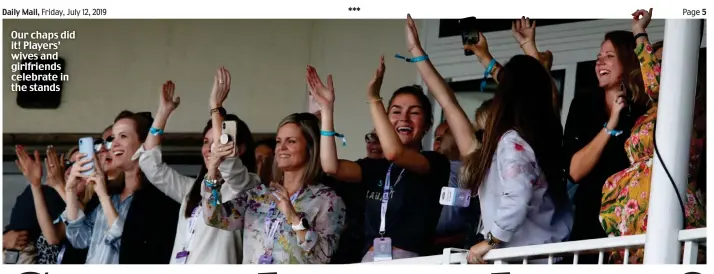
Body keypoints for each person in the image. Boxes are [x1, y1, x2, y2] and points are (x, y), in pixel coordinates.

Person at [402, 14, 572, 263]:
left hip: (527, 258)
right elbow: (447, 100)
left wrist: (491, 241)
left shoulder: (514, 142)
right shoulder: (503, 147)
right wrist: (417, 51)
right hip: (531, 255)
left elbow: (518, 194)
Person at [309, 54, 450, 261]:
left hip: (412, 261)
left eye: (414, 113)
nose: (404, 118)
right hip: (370, 259)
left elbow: (395, 153)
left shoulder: (435, 162)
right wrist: (327, 111)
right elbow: (331, 167)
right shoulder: (376, 167)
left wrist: (374, 98)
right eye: (396, 111)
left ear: (428, 124)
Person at [598, 8, 706, 264]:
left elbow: (660, 84)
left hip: (666, 209)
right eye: (652, 62)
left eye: (659, 63)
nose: (652, 67)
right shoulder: (649, 114)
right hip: (638, 220)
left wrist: (639, 34)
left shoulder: (680, 108)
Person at [133, 68, 261, 264]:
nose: (210, 148)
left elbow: (225, 158)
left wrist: (216, 107)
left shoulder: (245, 186)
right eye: (205, 142)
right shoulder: (192, 189)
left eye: (216, 140)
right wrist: (163, 113)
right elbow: (151, 165)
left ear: (241, 148)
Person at [202, 112, 346, 264]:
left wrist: (294, 218)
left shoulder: (327, 200)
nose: (281, 148)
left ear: (310, 148)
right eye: (278, 141)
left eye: (291, 141)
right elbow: (214, 218)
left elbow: (323, 257)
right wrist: (212, 170)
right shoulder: (259, 195)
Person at [562, 28, 649, 264]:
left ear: (628, 59)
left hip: (632, 225)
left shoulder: (644, 111)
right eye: (599, 56)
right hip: (589, 225)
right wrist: (610, 127)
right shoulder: (583, 106)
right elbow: (574, 171)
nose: (600, 61)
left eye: (609, 56)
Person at [62, 111, 180, 264]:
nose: (113, 144)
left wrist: (104, 197)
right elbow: (79, 240)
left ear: (144, 144)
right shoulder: (111, 193)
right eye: (112, 138)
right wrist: (70, 190)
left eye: (123, 136)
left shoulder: (159, 200)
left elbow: (131, 249)